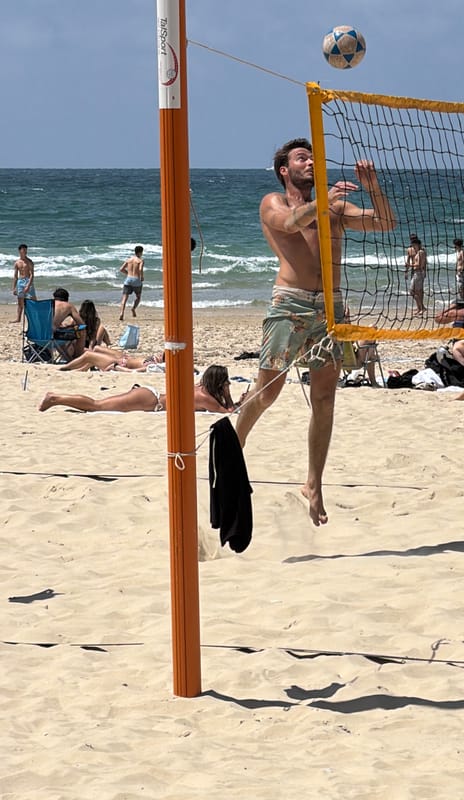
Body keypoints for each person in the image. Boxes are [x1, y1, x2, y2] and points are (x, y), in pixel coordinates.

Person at [235, 137, 396, 525]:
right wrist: (323, 201)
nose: (310, 163)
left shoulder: (334, 207)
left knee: (324, 397)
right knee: (267, 392)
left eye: (313, 158)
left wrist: (373, 187)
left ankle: (314, 482)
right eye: (301, 158)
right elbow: (291, 223)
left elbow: (386, 223)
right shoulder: (273, 202)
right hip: (289, 304)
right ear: (284, 170)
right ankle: (235, 448)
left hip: (330, 308)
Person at [39, 365, 243, 414]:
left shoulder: (200, 388)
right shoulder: (205, 397)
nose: (228, 385)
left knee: (98, 404)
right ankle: (55, 398)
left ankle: (57, 399)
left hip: (149, 395)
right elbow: (227, 412)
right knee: (96, 406)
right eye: (226, 382)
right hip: (150, 401)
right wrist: (229, 396)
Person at [59, 345, 164, 372]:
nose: (160, 354)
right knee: (96, 348)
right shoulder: (157, 361)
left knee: (88, 355)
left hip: (122, 363)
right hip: (125, 358)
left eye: (162, 356)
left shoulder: (153, 366)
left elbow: (134, 371)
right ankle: (83, 369)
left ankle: (65, 368)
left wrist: (117, 367)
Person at [52, 288, 86, 359]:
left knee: (58, 330)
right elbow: (82, 325)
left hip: (35, 335)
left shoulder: (46, 304)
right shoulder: (68, 306)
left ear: (54, 297)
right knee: (82, 330)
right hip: (53, 336)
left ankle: (67, 357)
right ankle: (78, 357)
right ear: (67, 298)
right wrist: (71, 327)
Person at [11, 243, 36, 323]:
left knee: (33, 300)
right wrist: (14, 288)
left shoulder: (29, 262)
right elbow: (15, 276)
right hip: (20, 281)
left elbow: (32, 275)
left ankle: (35, 317)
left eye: (26, 250)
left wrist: (28, 285)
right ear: (20, 251)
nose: (25, 252)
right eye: (23, 250)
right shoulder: (17, 263)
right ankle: (18, 319)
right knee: (20, 301)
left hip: (28, 281)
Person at [119, 245, 144, 321]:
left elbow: (121, 269)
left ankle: (121, 313)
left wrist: (128, 273)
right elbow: (140, 269)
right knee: (138, 297)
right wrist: (142, 277)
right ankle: (133, 308)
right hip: (136, 280)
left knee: (124, 298)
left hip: (128, 280)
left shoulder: (129, 260)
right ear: (140, 252)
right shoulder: (140, 260)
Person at [405, 234, 427, 316]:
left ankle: (421, 307)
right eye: (412, 239)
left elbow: (424, 262)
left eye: (414, 239)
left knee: (419, 291)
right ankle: (420, 307)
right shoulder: (410, 249)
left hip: (419, 271)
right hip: (414, 271)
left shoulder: (421, 250)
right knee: (415, 291)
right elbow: (408, 260)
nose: (412, 240)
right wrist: (406, 271)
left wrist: (425, 271)